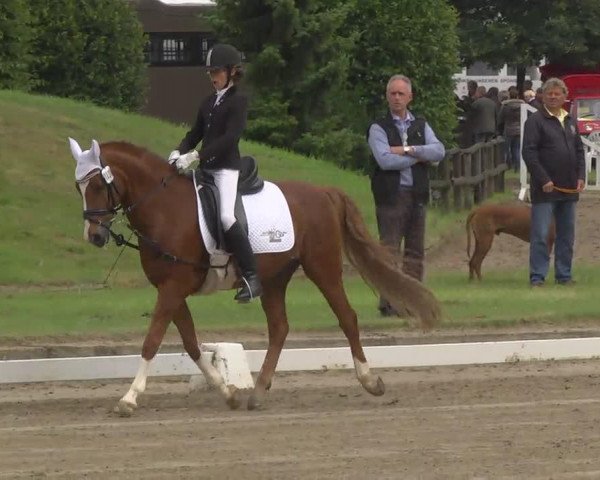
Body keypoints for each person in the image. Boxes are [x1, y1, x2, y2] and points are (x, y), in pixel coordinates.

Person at [168, 43, 262, 303]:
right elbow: (194, 134)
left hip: (226, 170)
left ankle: (252, 276)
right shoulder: (208, 102)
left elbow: (230, 138)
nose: (213, 77)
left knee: (226, 217)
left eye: (217, 72)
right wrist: (178, 151)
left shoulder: (239, 101)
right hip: (205, 170)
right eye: (210, 72)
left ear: (232, 72)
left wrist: (196, 155)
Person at [367, 74, 445, 316]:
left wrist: (407, 150)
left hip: (417, 194)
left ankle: (413, 302)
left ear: (410, 97)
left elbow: (439, 151)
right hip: (391, 196)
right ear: (387, 96)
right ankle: (389, 303)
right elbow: (384, 160)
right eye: (393, 93)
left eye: (401, 94)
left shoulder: (420, 125)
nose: (397, 98)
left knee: (415, 252)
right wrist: (419, 158)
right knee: (389, 251)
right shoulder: (378, 127)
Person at [522, 77, 586, 287]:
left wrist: (581, 176)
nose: (553, 96)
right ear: (542, 96)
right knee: (540, 234)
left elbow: (578, 150)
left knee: (566, 235)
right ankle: (537, 277)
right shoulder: (535, 121)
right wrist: (543, 178)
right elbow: (529, 153)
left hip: (568, 187)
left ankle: (564, 275)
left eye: (557, 93)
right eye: (549, 93)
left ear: (564, 97)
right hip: (546, 189)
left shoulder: (570, 120)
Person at [497, 86, 524, 172]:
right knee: (516, 149)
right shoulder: (522, 105)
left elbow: (500, 118)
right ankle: (517, 166)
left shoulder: (505, 105)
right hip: (519, 129)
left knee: (506, 149)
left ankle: (508, 165)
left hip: (508, 129)